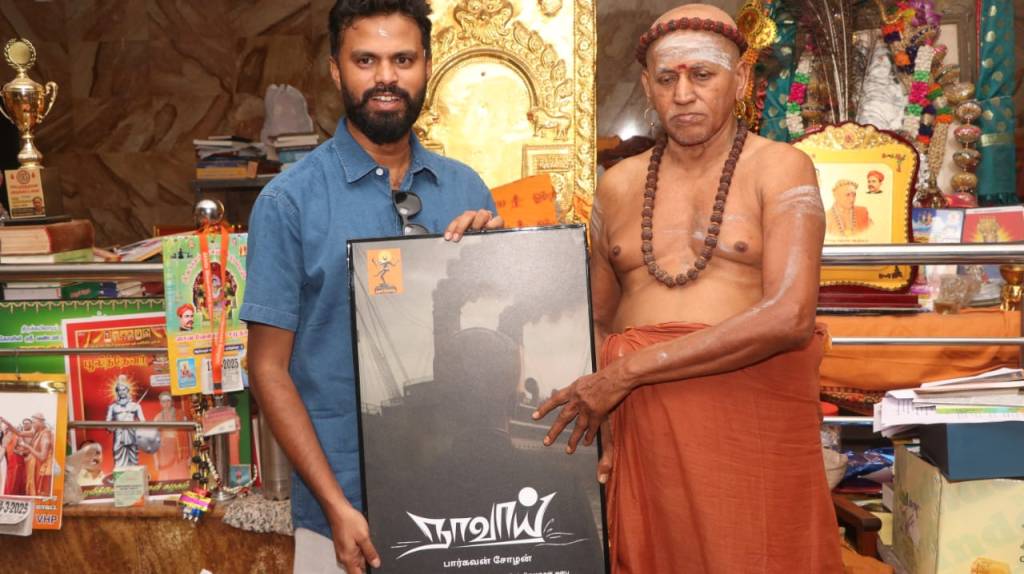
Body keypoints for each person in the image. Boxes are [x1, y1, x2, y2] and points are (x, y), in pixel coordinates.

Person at [533, 4, 843, 572]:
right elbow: (595, 318)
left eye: (702, 75)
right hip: (645, 432)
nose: (683, 94)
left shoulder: (782, 169)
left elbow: (790, 316)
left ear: (740, 80)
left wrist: (627, 372)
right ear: (646, 87)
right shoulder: (617, 185)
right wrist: (609, 420)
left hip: (748, 428)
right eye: (666, 78)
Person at [241, 1, 502, 572]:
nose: (386, 77)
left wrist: (499, 264)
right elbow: (266, 369)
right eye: (366, 60)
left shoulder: (467, 190)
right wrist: (336, 507)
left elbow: (497, 339)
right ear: (336, 70)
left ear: (426, 65)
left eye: (402, 59)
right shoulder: (289, 201)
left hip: (465, 507)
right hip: (343, 515)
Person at [105, 375, 145, 468]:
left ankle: (133, 470)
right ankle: (120, 470)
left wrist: (137, 427)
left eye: (124, 389)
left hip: (132, 432)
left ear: (128, 390)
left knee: (133, 451)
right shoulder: (113, 407)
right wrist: (111, 427)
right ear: (117, 392)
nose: (122, 392)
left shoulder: (136, 406)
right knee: (117, 450)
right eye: (120, 390)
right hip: (119, 433)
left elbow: (143, 421)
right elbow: (107, 422)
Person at [22, 413, 53, 496]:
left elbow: (42, 457)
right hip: (37, 466)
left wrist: (28, 447)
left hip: (43, 468)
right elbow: (19, 433)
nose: (32, 425)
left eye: (33, 422)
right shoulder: (37, 432)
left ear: (40, 422)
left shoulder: (45, 434)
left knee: (41, 493)